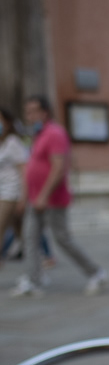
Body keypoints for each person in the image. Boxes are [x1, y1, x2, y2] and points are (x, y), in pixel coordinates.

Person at [11, 95, 107, 298]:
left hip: (52, 200)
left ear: (44, 112)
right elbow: (32, 168)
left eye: (33, 111)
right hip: (35, 199)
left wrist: (44, 195)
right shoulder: (38, 135)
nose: (29, 116)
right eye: (27, 111)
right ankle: (33, 280)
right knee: (30, 238)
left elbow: (58, 167)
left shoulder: (55, 133)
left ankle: (95, 272)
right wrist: (27, 197)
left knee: (63, 239)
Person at [0, 107, 28, 266]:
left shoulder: (13, 143)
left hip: (11, 193)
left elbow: (23, 171)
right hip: (1, 191)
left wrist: (23, 197)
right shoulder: (1, 144)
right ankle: (39, 257)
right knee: (22, 232)